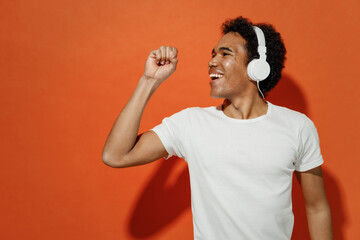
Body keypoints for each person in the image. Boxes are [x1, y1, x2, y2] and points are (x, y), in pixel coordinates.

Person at [102, 16, 333, 239]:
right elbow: (116, 155)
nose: (212, 61)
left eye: (226, 53)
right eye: (213, 54)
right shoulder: (191, 123)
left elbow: (317, 208)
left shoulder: (298, 127)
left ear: (257, 66)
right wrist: (149, 80)